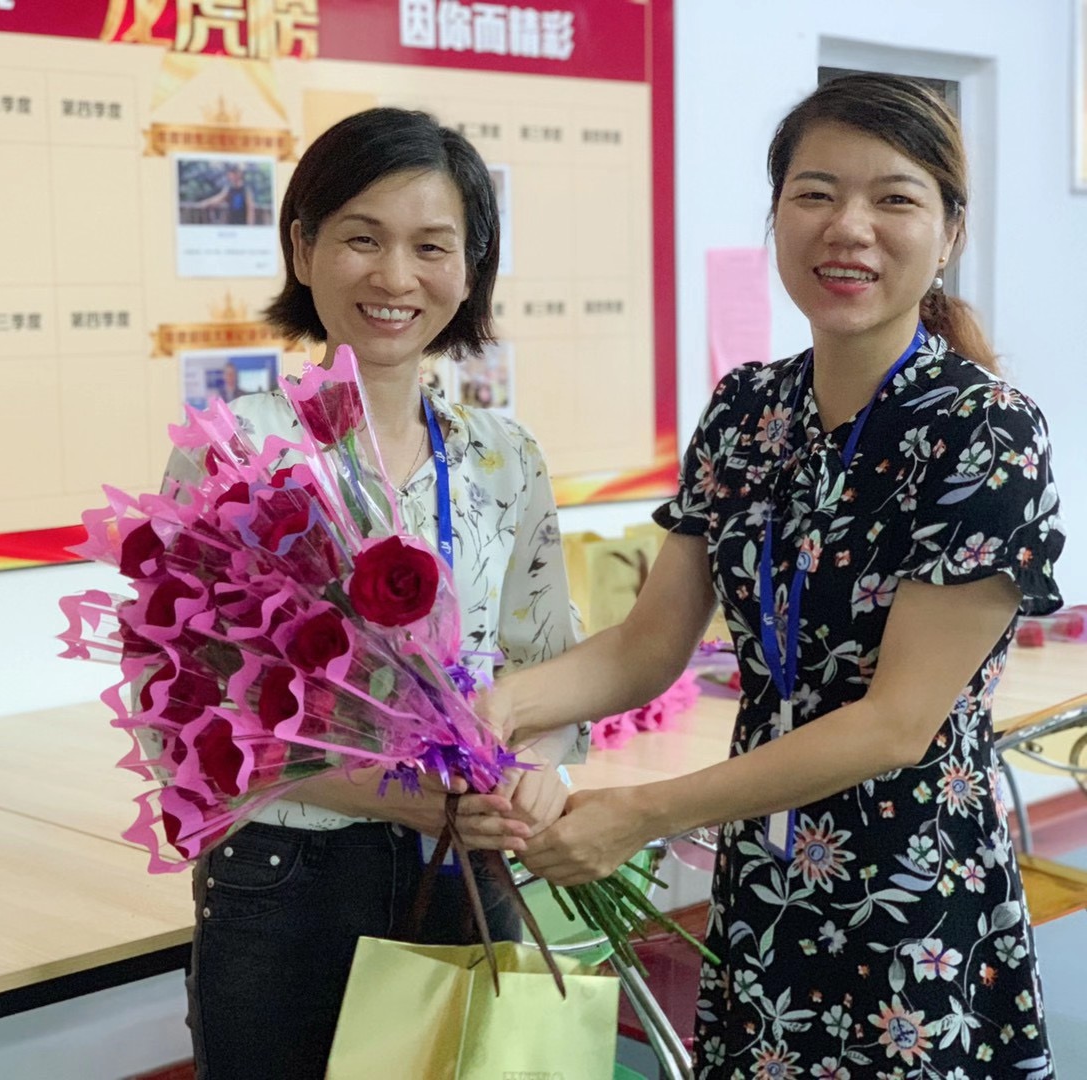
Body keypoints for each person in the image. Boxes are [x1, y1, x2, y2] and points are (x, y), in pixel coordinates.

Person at [476, 74, 1065, 1078]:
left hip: (911, 884)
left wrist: (643, 814)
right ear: (777, 213)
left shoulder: (986, 431)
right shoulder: (747, 409)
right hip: (764, 869)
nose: (848, 227)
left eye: (893, 198)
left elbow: (896, 724)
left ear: (950, 233)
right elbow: (647, 645)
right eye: (815, 193)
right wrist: (500, 707)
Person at [175, 107, 585, 1079]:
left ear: (471, 267)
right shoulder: (241, 453)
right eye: (362, 238)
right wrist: (396, 797)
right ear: (303, 249)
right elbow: (185, 716)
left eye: (431, 246)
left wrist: (536, 773)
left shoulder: (503, 456)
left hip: (469, 869)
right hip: (287, 879)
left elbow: (548, 666)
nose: (396, 277)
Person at [189, 162, 254, 225]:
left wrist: (249, 227)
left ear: (239, 174)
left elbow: (250, 209)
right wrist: (203, 204)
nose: (231, 176)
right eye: (230, 174)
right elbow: (218, 199)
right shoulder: (230, 189)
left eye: (234, 173)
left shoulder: (245, 189)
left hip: (243, 223)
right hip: (232, 222)